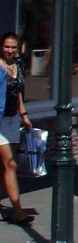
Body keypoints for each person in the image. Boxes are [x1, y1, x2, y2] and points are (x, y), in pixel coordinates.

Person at [1, 32, 34, 224]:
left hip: (13, 119)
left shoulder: (18, 66)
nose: (10, 50)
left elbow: (18, 93)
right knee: (11, 164)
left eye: (13, 47)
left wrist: (24, 115)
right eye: (7, 46)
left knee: (3, 167)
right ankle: (18, 211)